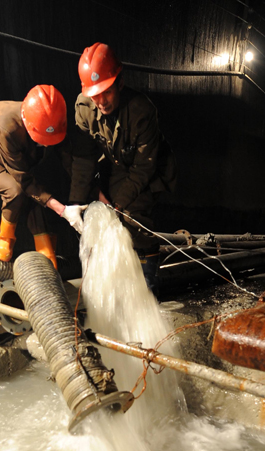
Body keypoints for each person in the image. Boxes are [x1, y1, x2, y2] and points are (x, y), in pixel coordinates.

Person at [69, 43, 176, 292]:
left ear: (119, 82)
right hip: (116, 163)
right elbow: (83, 159)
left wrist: (116, 206)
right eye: (94, 94)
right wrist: (77, 202)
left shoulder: (141, 111)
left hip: (149, 167)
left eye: (106, 91)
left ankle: (148, 285)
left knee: (133, 217)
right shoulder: (84, 108)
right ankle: (113, 285)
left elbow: (142, 169)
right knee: (94, 214)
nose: (101, 101)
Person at [0, 85, 86, 268]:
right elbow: (23, 181)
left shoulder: (51, 120)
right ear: (28, 124)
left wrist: (81, 196)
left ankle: (46, 253)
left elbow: (69, 162)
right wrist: (62, 210)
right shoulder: (7, 127)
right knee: (15, 190)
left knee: (39, 189)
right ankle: (4, 243)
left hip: (14, 153)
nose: (48, 146)